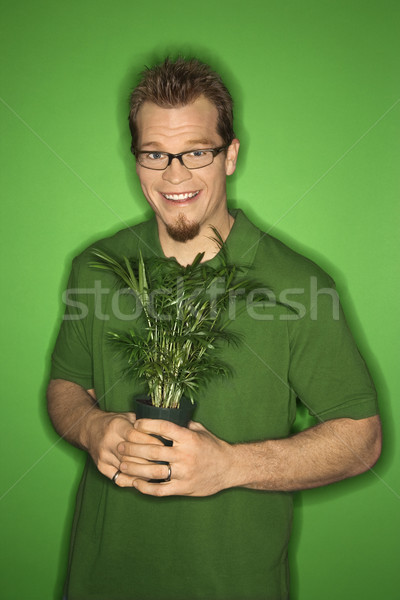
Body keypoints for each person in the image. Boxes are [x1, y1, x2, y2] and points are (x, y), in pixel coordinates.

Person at [47, 57, 381, 600]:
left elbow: (360, 440)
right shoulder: (98, 266)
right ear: (136, 161)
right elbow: (66, 385)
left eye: (196, 152)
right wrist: (90, 428)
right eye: (154, 154)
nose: (173, 176)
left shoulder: (299, 283)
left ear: (230, 156)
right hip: (99, 583)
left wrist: (229, 465)